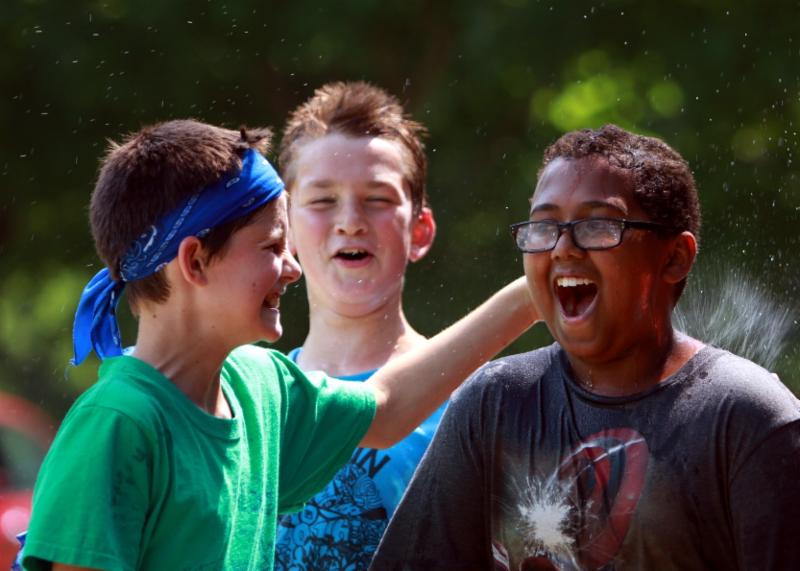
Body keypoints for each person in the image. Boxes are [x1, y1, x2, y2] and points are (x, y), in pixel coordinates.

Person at [19, 119, 537, 571]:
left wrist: (531, 296)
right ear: (195, 261)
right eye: (272, 246)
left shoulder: (258, 386)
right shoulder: (117, 426)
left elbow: (385, 409)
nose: (292, 269)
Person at [371, 124, 800, 570]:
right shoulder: (493, 402)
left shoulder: (748, 418)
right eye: (544, 227)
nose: (563, 249)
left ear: (675, 257)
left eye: (598, 226)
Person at [273, 81, 442, 570]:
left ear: (420, 230)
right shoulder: (249, 402)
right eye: (323, 200)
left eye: (377, 199)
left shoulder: (469, 401)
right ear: (283, 228)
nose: (350, 221)